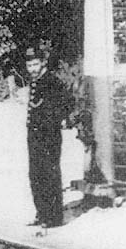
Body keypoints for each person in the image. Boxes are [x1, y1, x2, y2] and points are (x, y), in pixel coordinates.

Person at [22, 45, 74, 229]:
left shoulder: (52, 81)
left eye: (35, 64)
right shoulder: (36, 81)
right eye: (29, 66)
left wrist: (57, 120)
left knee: (49, 174)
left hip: (48, 135)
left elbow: (67, 102)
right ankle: (42, 213)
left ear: (43, 63)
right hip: (34, 134)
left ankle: (54, 217)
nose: (32, 69)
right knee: (36, 174)